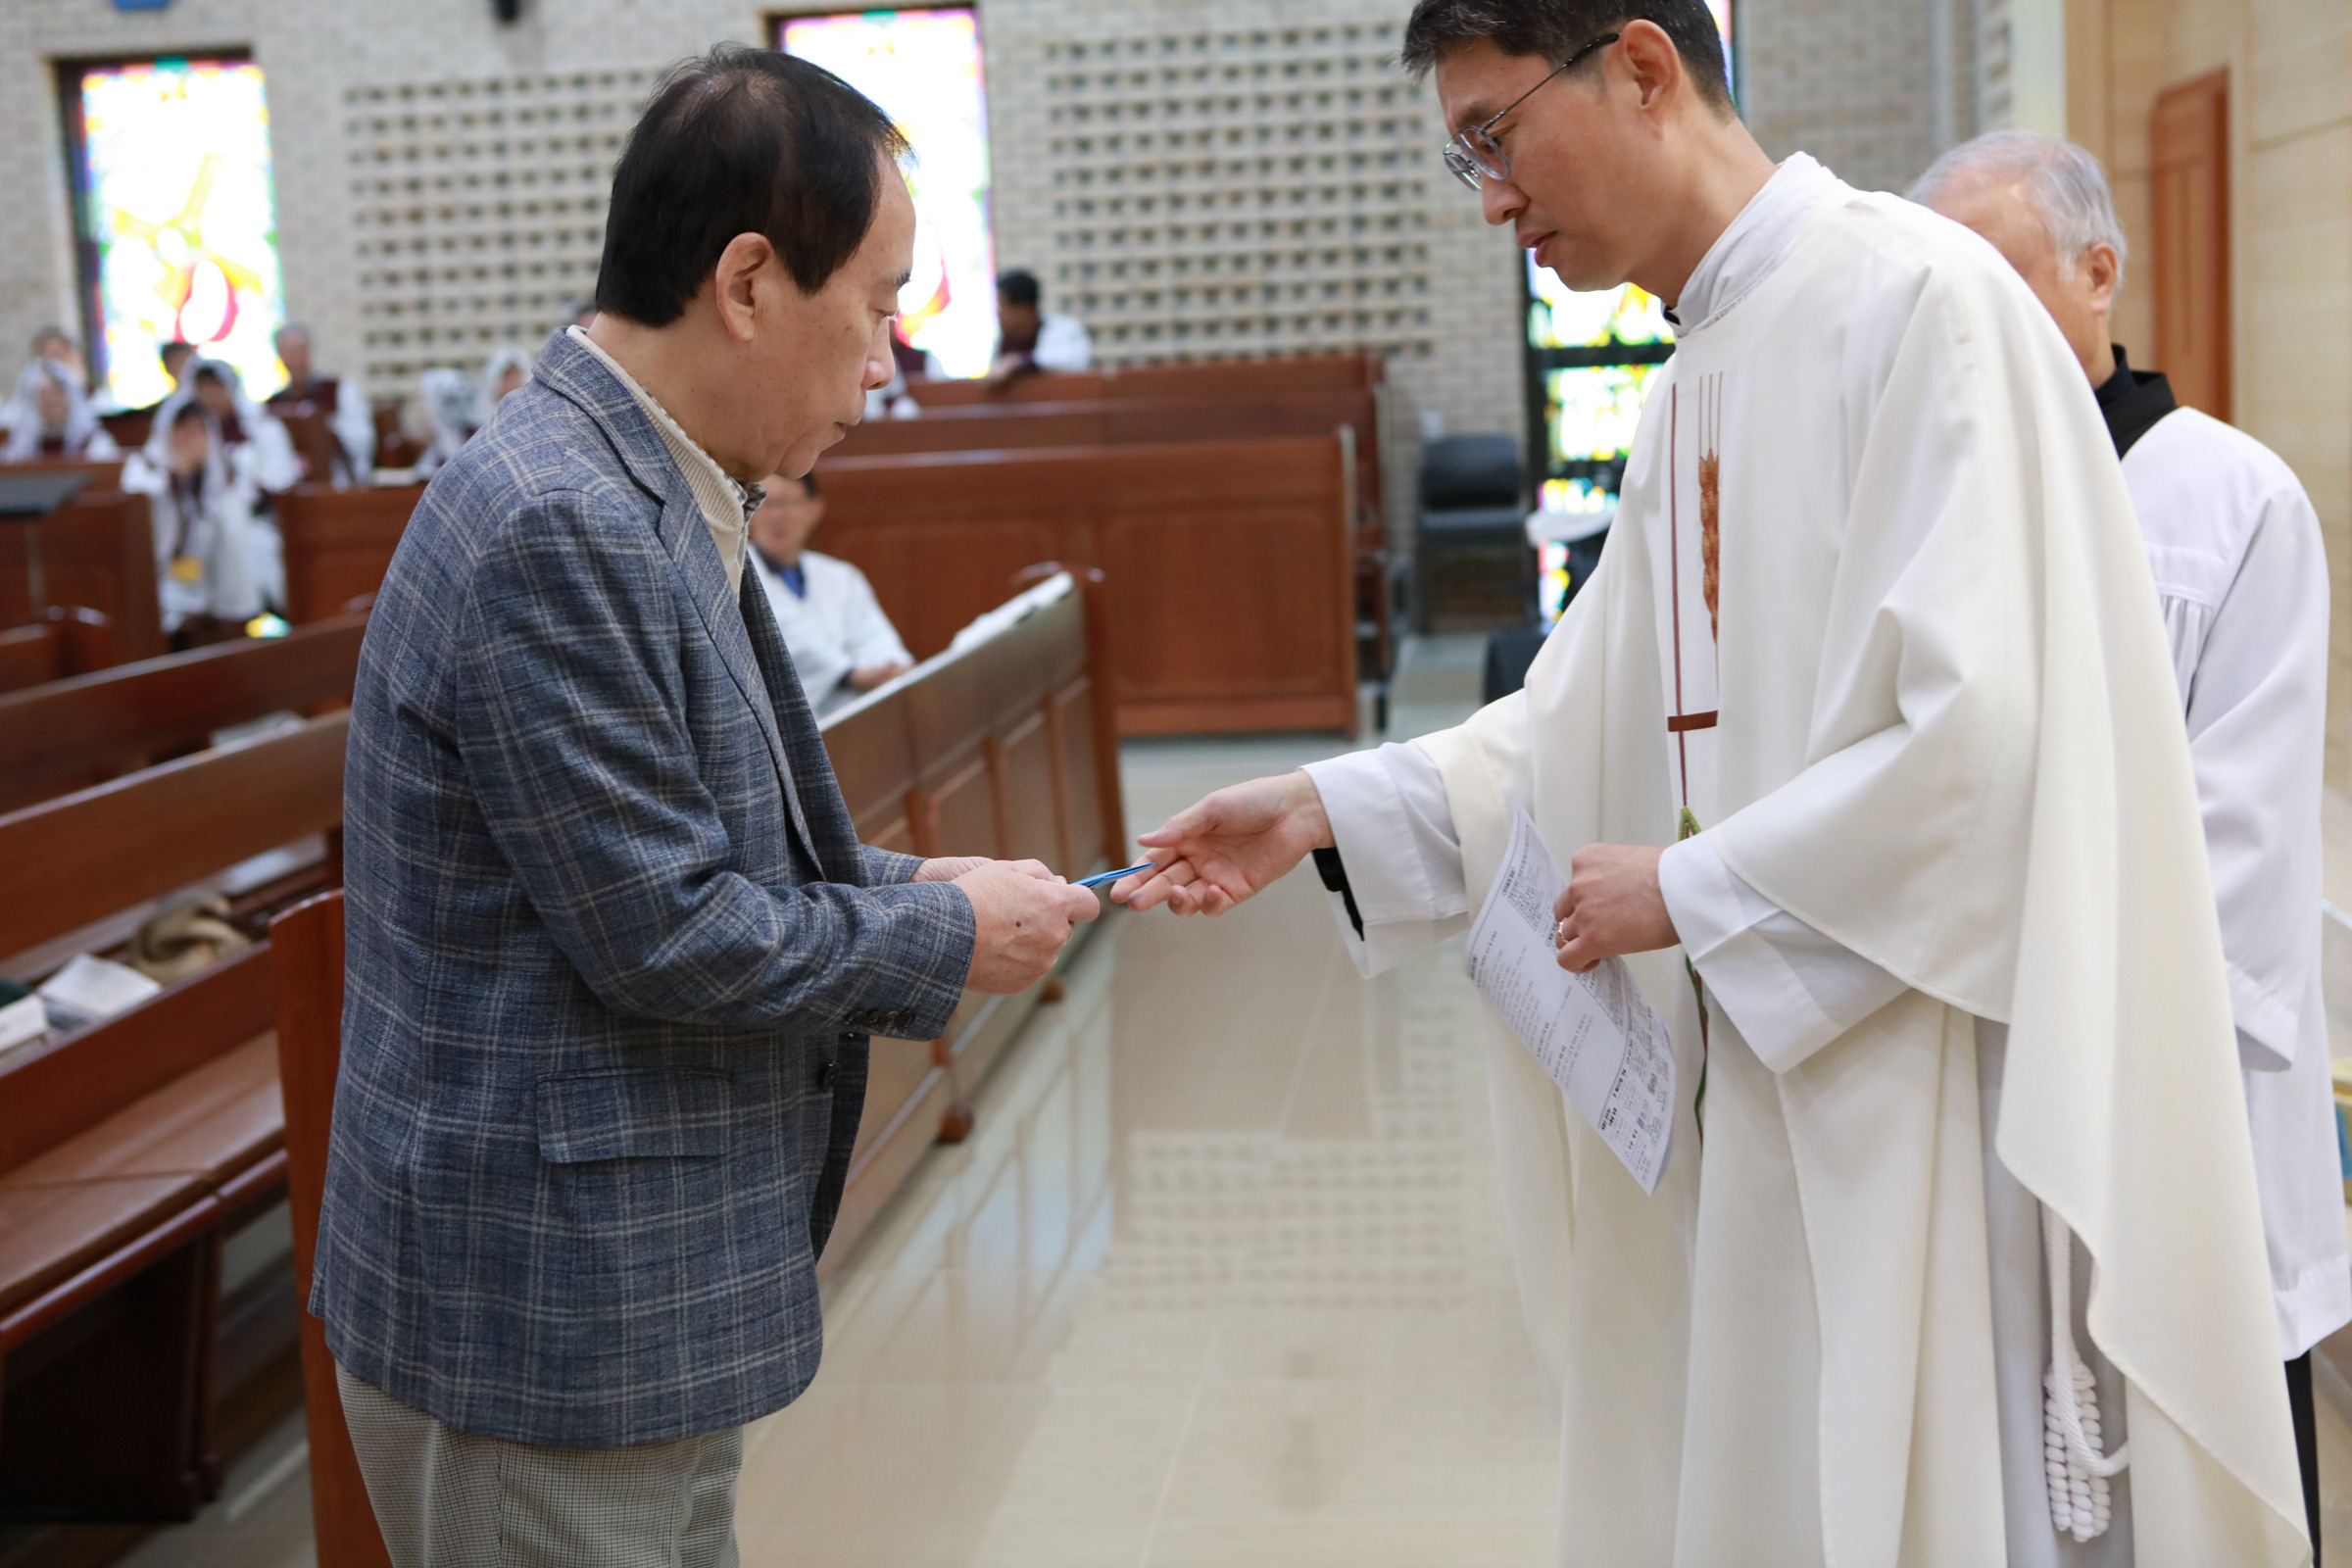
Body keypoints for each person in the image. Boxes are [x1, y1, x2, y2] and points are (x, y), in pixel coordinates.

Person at [1114, 4, 2305, 1563]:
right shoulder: (1698, 373)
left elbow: (1988, 750)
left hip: (1913, 1083)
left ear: (1641, 66)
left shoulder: (1920, 305)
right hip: (1757, 1069)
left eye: (1494, 136)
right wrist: (1329, 808)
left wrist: (1692, 887)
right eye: (1465, 156)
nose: (1491, 197)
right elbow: (1578, 718)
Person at [317, 44, 1101, 1568]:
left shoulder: (647, 479)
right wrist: (945, 940)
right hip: (546, 1318)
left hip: (634, 1287)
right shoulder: (562, 520)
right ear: (748, 284)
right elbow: (666, 930)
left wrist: (916, 883)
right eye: (877, 307)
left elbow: (694, 843)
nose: (886, 364)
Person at [1916, 129, 2347, 1559]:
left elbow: (2234, 856)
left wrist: (2021, 969)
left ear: (2097, 271)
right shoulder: (1927, 506)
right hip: (1981, 1102)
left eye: (1998, 279)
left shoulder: (2230, 501)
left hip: (2168, 1103)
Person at [746, 470, 912, 712]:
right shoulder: (735, 575)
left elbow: (874, 637)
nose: (777, 515)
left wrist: (889, 666)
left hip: (857, 713)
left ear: (814, 509)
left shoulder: (841, 576)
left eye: (787, 503)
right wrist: (848, 674)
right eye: (766, 503)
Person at [120, 399, 266, 644]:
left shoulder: (222, 469)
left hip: (211, 572)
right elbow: (138, 510)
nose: (190, 439)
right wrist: (178, 476)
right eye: (182, 430)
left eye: (197, 431)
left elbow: (237, 511)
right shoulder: (144, 467)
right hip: (163, 573)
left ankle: (234, 622)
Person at [267, 320, 376, 480]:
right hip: (292, 484)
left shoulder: (340, 390)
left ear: (310, 351)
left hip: (337, 480)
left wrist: (322, 427)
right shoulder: (273, 404)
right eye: (287, 352)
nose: (295, 358)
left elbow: (361, 440)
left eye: (299, 350)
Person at [187, 359, 302, 495]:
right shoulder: (199, 434)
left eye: (215, 388)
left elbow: (279, 481)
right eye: (203, 390)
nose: (210, 397)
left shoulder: (264, 427)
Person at [986, 268, 1091, 387]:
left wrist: (1019, 362)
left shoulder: (1063, 329)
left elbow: (1074, 361)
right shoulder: (1002, 339)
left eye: (1002, 305)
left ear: (1023, 309)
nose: (998, 313)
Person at [1, 359, 119, 461]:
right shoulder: (20, 448)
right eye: (44, 395)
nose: (52, 400)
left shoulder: (94, 443)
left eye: (57, 392)